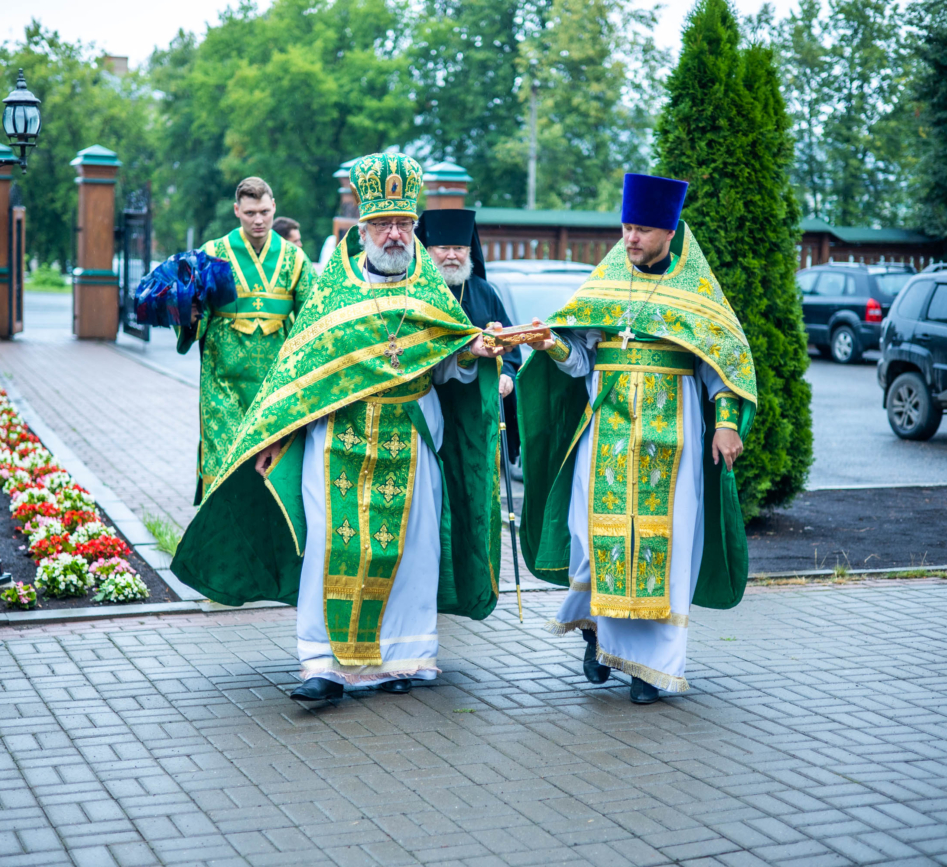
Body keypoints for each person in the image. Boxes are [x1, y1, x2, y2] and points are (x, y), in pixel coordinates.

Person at [171, 153, 509, 703]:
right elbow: (298, 371)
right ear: (365, 228)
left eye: (403, 224)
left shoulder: (432, 291)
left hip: (411, 433)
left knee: (410, 549)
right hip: (338, 445)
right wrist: (278, 437)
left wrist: (472, 350)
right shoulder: (334, 287)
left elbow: (449, 364)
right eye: (383, 224)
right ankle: (322, 664)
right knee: (333, 547)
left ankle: (404, 656)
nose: (394, 234)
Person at [516, 173, 758, 704]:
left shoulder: (696, 295)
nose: (630, 238)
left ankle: (650, 669)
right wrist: (551, 343)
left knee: (662, 555)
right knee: (592, 542)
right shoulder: (604, 284)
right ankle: (598, 633)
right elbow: (580, 361)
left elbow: (724, 367)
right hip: (604, 441)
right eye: (626, 227)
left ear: (669, 231)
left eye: (642, 229)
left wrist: (725, 424)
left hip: (672, 453)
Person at [177, 178, 313, 504]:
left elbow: (311, 320)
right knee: (224, 464)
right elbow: (197, 315)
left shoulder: (295, 260)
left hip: (272, 388)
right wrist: (189, 313)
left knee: (272, 471)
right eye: (250, 212)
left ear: (274, 207)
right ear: (237, 210)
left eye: (265, 211)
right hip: (221, 384)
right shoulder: (211, 254)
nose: (258, 220)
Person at [417, 208, 522, 463]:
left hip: (475, 410)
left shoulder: (484, 292)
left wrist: (507, 374)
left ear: (469, 251)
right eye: (443, 247)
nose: (452, 256)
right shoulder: (416, 292)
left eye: (460, 248)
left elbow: (511, 345)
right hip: (428, 403)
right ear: (427, 251)